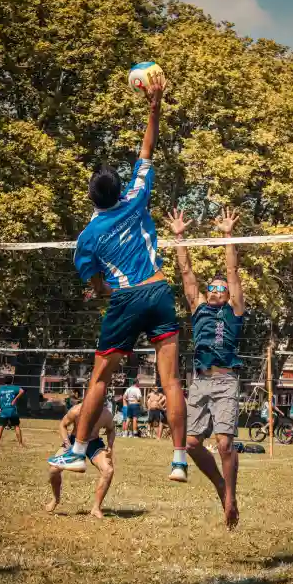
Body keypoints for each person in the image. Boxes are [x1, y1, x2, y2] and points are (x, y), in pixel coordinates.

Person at [48, 73, 187, 482]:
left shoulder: (88, 238)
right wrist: (154, 106)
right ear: (118, 189)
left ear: (91, 197)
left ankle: (77, 451)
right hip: (158, 291)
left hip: (126, 298)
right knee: (171, 380)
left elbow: (98, 287)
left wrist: (102, 291)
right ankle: (178, 460)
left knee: (100, 379)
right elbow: (147, 149)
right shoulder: (136, 196)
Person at [167, 207, 245, 529]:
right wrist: (179, 237)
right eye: (211, 287)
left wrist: (228, 235)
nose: (214, 290)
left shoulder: (234, 310)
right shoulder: (198, 308)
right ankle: (220, 485)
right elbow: (186, 272)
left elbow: (232, 270)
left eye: (220, 288)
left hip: (225, 381)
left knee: (224, 443)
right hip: (199, 381)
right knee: (192, 444)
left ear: (228, 295)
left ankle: (231, 499)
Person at [47, 402, 115, 519]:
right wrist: (67, 444)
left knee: (108, 470)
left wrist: (110, 446)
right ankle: (56, 499)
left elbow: (111, 429)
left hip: (93, 443)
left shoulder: (106, 414)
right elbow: (63, 425)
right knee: (53, 470)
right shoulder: (76, 410)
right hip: (74, 441)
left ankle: (96, 508)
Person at [0, 375, 25, 447]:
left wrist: (0, 401)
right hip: (12, 410)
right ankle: (20, 444)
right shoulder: (14, 387)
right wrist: (15, 399)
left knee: (1, 427)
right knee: (16, 426)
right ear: (12, 381)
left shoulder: (1, 388)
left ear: (4, 381)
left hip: (4, 410)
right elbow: (22, 391)